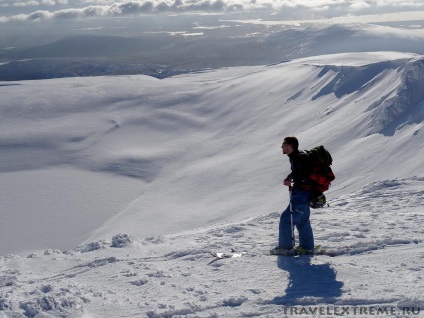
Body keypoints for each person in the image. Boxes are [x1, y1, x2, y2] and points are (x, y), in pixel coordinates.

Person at [273, 136, 316, 254]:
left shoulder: (299, 157)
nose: (282, 147)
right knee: (302, 221)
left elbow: (302, 173)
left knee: (286, 219)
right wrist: (291, 177)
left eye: (283, 145)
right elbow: (299, 172)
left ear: (290, 146)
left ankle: (285, 249)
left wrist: (292, 178)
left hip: (301, 194)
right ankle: (307, 248)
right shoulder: (298, 157)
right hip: (305, 193)